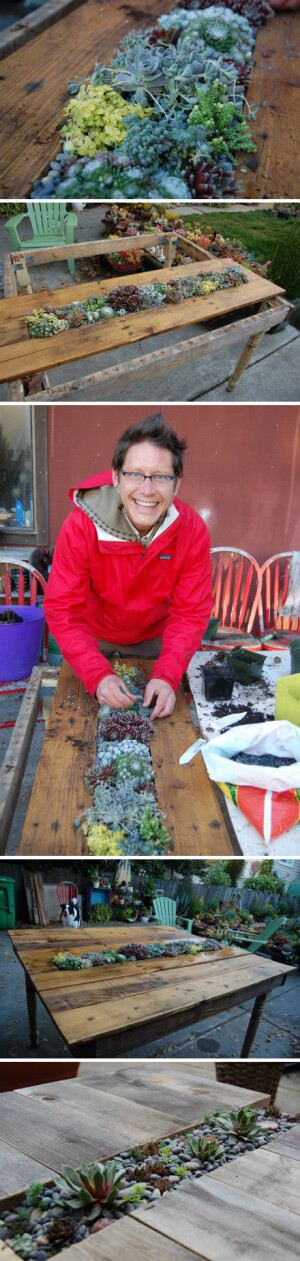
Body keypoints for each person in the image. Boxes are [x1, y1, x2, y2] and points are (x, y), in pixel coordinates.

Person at [44, 413, 213, 720]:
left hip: (154, 644)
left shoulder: (192, 530)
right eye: (135, 474)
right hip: (92, 641)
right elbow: (63, 610)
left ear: (177, 484)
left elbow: (191, 614)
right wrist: (96, 674)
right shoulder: (81, 525)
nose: (147, 490)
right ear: (115, 476)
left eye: (161, 476)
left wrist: (168, 674)